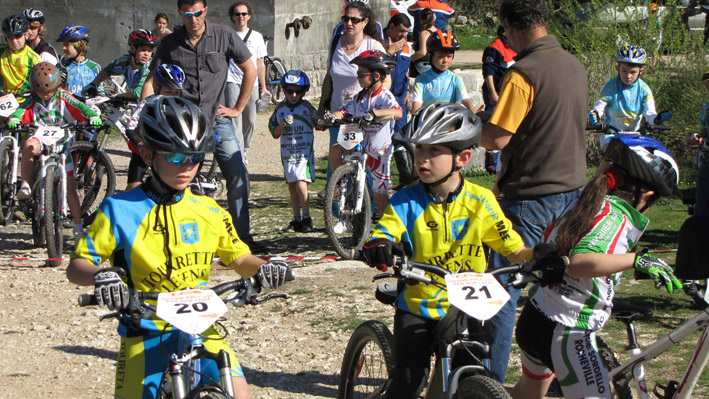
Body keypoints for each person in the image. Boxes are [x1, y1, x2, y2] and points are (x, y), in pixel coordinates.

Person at [67, 96, 291, 399]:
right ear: (147, 155)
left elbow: (239, 258)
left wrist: (267, 268)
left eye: (196, 156)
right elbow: (77, 266)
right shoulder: (118, 209)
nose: (187, 166)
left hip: (200, 327)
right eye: (174, 156)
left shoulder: (209, 210)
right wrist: (102, 277)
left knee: (241, 394)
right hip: (144, 330)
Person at [359, 103, 533, 399]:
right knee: (408, 384)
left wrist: (540, 256)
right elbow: (384, 230)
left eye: (433, 151)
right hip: (418, 307)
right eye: (419, 149)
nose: (422, 159)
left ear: (463, 158)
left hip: (467, 308)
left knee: (469, 382)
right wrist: (379, 244)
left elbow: (513, 248)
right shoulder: (406, 200)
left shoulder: (482, 200)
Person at [511, 135, 683, 399]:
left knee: (527, 393)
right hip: (567, 330)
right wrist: (638, 259)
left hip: (536, 315)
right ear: (646, 195)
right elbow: (580, 263)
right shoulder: (615, 215)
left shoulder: (586, 200)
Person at [480, 0, 588, 384]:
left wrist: (472, 125)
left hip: (530, 196)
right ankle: (563, 374)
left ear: (512, 26)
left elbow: (497, 138)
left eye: (504, 30)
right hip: (574, 194)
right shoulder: (574, 65)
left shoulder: (524, 73)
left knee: (501, 286)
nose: (504, 37)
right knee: (558, 288)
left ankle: (488, 381)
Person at [142, 0, 259, 250]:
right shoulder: (170, 43)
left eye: (197, 13)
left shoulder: (224, 35)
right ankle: (182, 240)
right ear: (180, 14)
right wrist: (147, 112)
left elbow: (250, 69)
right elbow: (151, 81)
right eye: (187, 14)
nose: (193, 19)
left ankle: (242, 238)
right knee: (177, 180)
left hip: (217, 120)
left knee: (238, 175)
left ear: (205, 11)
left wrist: (238, 108)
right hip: (183, 123)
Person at [9, 62, 102, 240]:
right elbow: (20, 111)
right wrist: (14, 118)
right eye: (40, 92)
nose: (45, 96)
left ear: (57, 86)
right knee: (28, 146)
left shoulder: (65, 97)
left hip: (62, 143)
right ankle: (26, 185)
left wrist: (93, 117)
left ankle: (77, 226)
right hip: (40, 138)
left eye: (49, 91)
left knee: (69, 186)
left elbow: (83, 107)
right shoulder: (32, 100)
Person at [324, 50, 402, 221]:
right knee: (336, 150)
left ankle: (384, 231)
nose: (357, 77)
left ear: (375, 75)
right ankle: (339, 186)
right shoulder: (360, 97)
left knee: (379, 196)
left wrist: (375, 113)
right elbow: (345, 111)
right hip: (363, 145)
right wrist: (331, 116)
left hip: (380, 151)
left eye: (360, 74)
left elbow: (398, 112)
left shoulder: (385, 96)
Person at [319, 0, 387, 182]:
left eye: (354, 20)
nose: (349, 23)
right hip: (338, 113)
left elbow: (385, 81)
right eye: (346, 19)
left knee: (362, 164)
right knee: (337, 161)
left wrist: (366, 96)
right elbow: (329, 77)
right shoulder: (336, 43)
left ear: (365, 22)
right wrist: (321, 106)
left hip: (363, 116)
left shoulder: (373, 46)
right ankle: (335, 206)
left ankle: (367, 205)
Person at [588, 45, 672, 150]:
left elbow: (650, 114)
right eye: (624, 71)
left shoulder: (644, 90)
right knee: (612, 155)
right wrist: (595, 114)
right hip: (611, 135)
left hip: (635, 136)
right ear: (617, 69)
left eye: (633, 72)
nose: (628, 76)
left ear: (641, 71)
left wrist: (657, 119)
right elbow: (599, 106)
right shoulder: (610, 87)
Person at [268, 70, 318, 233]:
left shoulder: (306, 107)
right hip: (288, 152)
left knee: (301, 182)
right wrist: (282, 125)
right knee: (291, 185)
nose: (294, 95)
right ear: (284, 91)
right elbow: (274, 132)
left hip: (304, 152)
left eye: (298, 91)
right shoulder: (280, 109)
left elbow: (319, 124)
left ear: (304, 91)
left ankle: (307, 217)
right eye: (290, 91)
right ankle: (296, 219)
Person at [124, 64, 187, 191]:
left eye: (176, 92)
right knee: (132, 187)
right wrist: (141, 144)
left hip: (171, 150)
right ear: (157, 87)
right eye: (168, 92)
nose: (172, 96)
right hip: (147, 148)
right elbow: (131, 128)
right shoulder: (148, 103)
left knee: (182, 188)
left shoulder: (183, 106)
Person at [226, 1, 267, 164]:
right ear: (232, 17)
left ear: (249, 16)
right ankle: (238, 152)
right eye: (237, 14)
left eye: (243, 14)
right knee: (234, 118)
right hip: (231, 80)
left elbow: (260, 63)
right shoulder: (228, 34)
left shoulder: (257, 37)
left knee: (250, 119)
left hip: (251, 82)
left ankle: (245, 148)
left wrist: (264, 86)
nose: (240, 17)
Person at [410, 30, 475, 113]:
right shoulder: (421, 80)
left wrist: (475, 115)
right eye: (440, 56)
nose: (445, 60)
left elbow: (466, 100)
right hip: (428, 123)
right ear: (430, 56)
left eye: (449, 56)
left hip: (449, 123)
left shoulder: (455, 79)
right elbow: (416, 104)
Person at [83, 29, 156, 100]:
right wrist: (93, 84)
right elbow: (108, 70)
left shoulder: (150, 67)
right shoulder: (125, 61)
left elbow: (138, 93)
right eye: (143, 50)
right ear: (132, 48)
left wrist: (116, 97)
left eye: (149, 51)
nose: (146, 54)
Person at [384, 12, 414, 183]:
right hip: (384, 98)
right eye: (401, 31)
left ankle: (405, 175)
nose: (403, 35)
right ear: (392, 27)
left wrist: (408, 92)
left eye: (406, 32)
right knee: (383, 137)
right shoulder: (379, 41)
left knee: (400, 135)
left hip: (400, 98)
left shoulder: (406, 46)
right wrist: (388, 52)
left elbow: (406, 71)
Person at [0, 14, 41, 99]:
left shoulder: (33, 58)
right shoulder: (1, 51)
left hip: (24, 102)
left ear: (26, 35)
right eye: (10, 37)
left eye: (18, 36)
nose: (14, 40)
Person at [56, 26, 101, 97]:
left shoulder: (95, 68)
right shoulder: (60, 67)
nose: (63, 48)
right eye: (63, 44)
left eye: (67, 45)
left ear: (80, 46)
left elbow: (101, 94)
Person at [688, 69, 709, 215]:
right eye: (708, 87)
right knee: (703, 187)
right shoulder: (706, 109)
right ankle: (700, 223)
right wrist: (697, 137)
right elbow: (703, 132)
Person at [482, 26, 516, 111]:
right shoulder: (494, 48)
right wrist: (493, 94)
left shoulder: (516, 46)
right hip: (496, 93)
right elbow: (488, 73)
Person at [409, 8, 436, 77]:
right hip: (435, 64)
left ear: (421, 19)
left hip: (423, 65)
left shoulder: (424, 33)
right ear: (433, 18)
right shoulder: (438, 32)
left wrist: (409, 59)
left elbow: (422, 52)